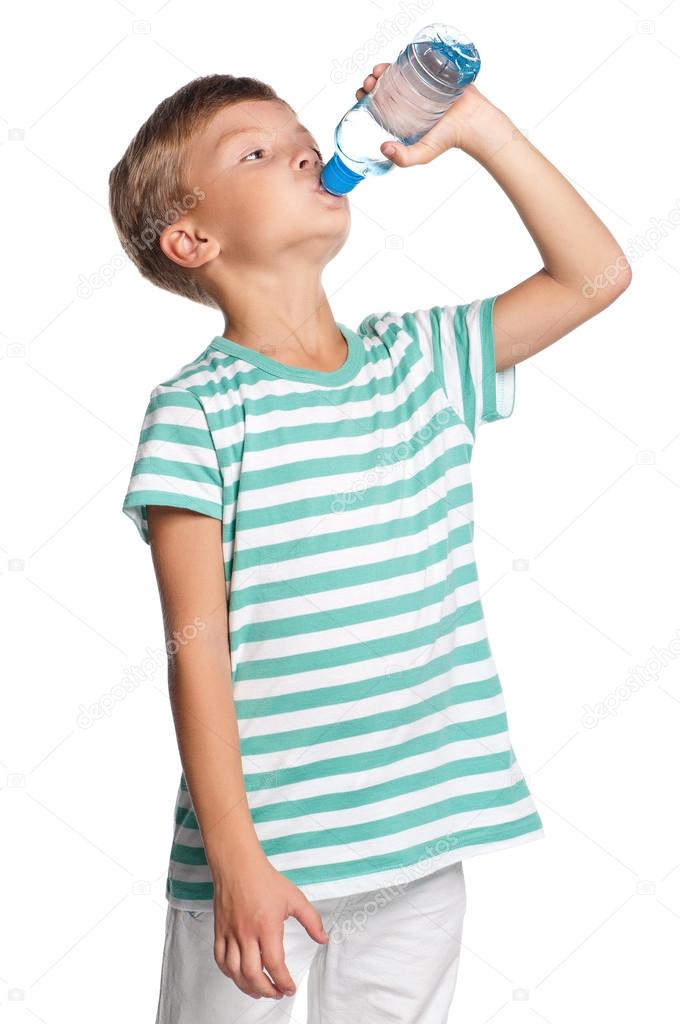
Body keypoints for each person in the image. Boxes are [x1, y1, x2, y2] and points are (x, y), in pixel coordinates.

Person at [110, 65, 631, 1023]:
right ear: (193, 240)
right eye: (256, 151)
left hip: (418, 842)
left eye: (302, 134)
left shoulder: (417, 361)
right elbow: (197, 650)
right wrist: (235, 860)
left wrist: (478, 127)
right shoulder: (198, 411)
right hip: (261, 857)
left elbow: (597, 276)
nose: (304, 147)